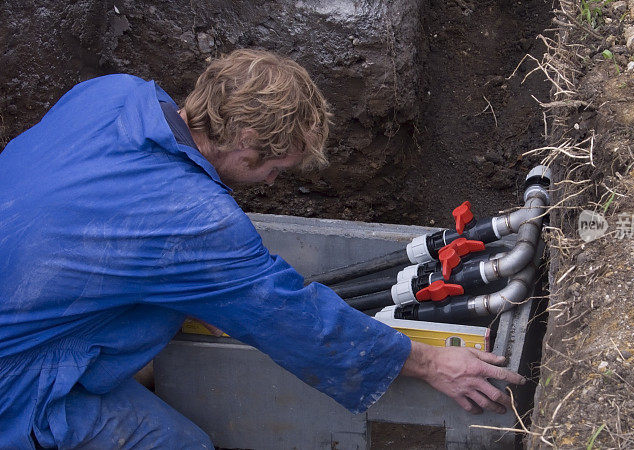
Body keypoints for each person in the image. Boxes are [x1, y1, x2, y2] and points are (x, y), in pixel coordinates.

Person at [0, 49, 526, 448]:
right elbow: (294, 320)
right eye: (276, 167)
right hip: (14, 382)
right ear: (246, 139)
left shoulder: (113, 94)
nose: (274, 182)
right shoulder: (193, 220)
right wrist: (431, 364)